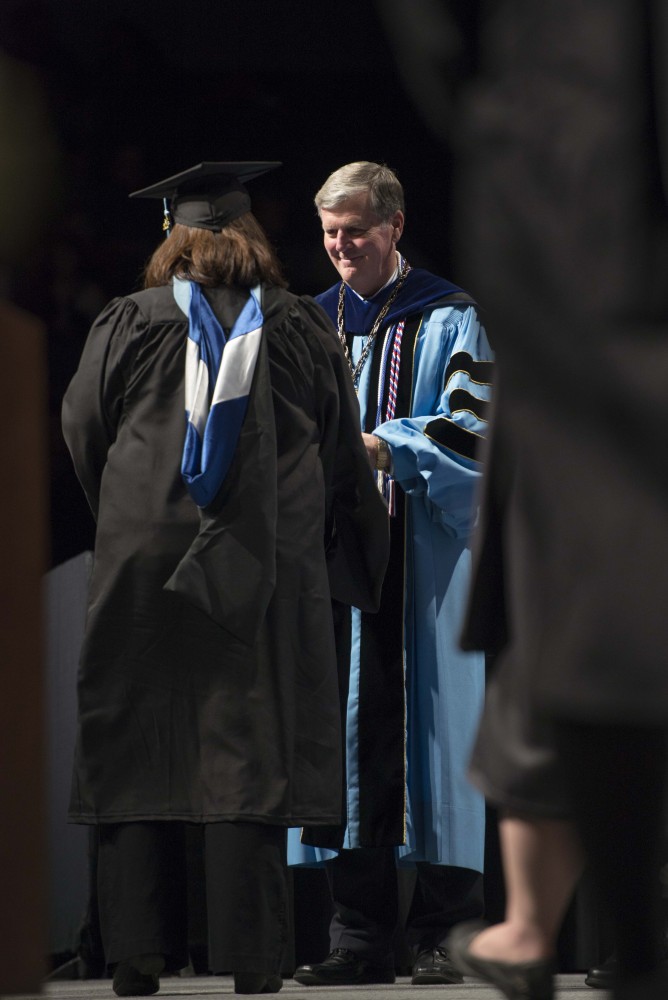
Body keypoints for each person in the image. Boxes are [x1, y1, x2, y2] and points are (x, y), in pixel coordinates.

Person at [61, 160, 389, 997]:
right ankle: (253, 958)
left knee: (140, 741)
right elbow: (342, 453)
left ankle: (136, 955)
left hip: (144, 560)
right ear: (252, 238)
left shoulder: (129, 320)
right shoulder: (298, 327)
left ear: (171, 241)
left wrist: (130, 516)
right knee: (248, 748)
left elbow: (83, 430)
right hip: (263, 563)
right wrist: (359, 555)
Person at [410, 2, 668, 999]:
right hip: (565, 163)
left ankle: (550, 930)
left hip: (567, 161)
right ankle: (586, 934)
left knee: (569, 562)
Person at [288, 160, 493, 986]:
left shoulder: (451, 315)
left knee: (439, 739)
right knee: (340, 741)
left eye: (356, 231)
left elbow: (475, 437)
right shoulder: (310, 322)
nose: (342, 247)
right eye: (330, 233)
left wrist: (387, 445)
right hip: (335, 566)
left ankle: (447, 932)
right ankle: (360, 936)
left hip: (424, 567)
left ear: (395, 225)